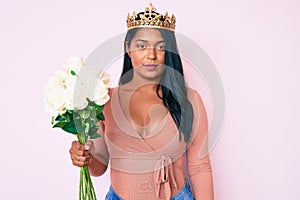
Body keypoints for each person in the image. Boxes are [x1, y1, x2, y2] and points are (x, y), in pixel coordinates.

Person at [69, 3, 214, 200]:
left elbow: (200, 167)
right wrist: (86, 157)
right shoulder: (104, 100)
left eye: (160, 47)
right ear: (128, 48)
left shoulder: (189, 100)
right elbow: (99, 166)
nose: (151, 55)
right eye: (141, 46)